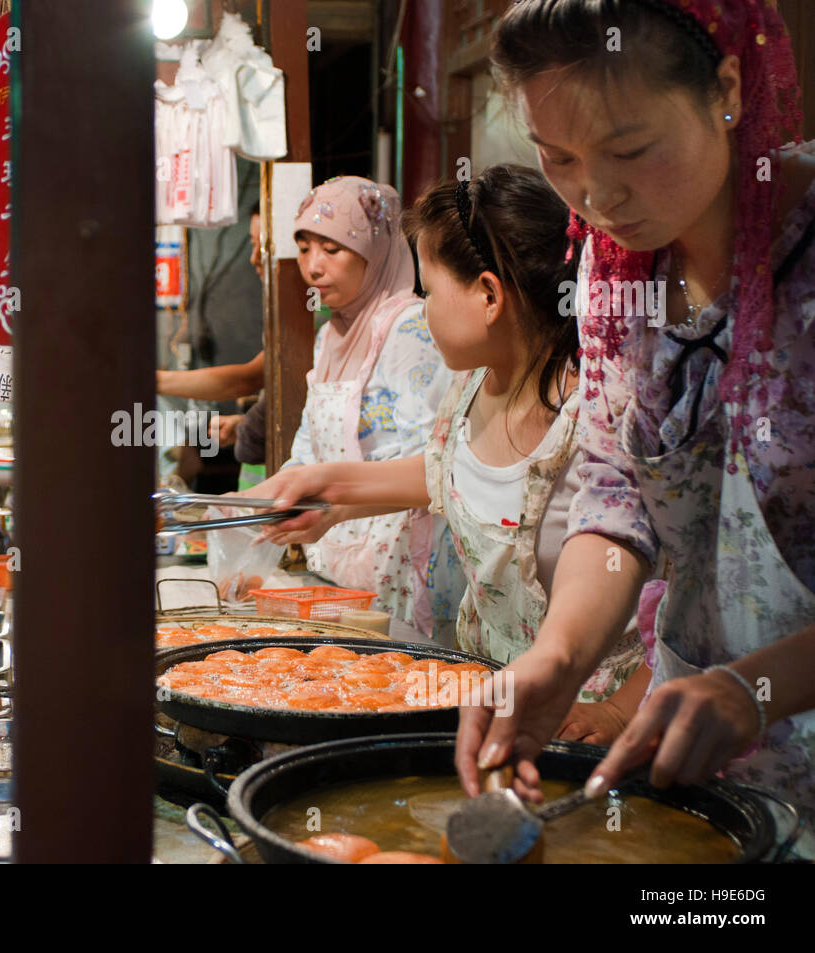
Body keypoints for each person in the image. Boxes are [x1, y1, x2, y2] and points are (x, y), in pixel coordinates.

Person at [453, 0, 815, 823]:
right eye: (558, 157)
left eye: (630, 149)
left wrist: (760, 684)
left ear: (726, 87)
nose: (597, 193)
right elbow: (617, 498)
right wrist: (559, 654)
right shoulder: (617, 280)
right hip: (705, 773)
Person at [254, 165, 651, 738]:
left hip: (589, 724)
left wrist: (615, 712)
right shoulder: (471, 387)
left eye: (428, 289)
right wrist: (327, 492)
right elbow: (445, 474)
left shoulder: (602, 414)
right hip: (485, 702)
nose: (421, 305)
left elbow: (687, 591)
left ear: (488, 296)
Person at [249, 176, 463, 643]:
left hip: (403, 569)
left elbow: (435, 466)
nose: (312, 267)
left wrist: (332, 503)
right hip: (339, 565)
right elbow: (307, 450)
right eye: (304, 248)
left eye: (332, 249)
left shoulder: (410, 328)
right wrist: (239, 510)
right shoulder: (330, 336)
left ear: (375, 250)